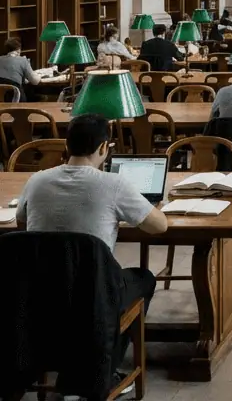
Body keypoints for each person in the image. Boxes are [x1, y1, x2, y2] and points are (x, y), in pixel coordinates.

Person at [16, 113, 167, 374]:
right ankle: (105, 365)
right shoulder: (114, 183)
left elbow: (22, 224)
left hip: (38, 289)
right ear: (103, 148)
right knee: (144, 278)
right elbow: (159, 226)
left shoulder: (36, 180)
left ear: (66, 145)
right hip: (94, 291)